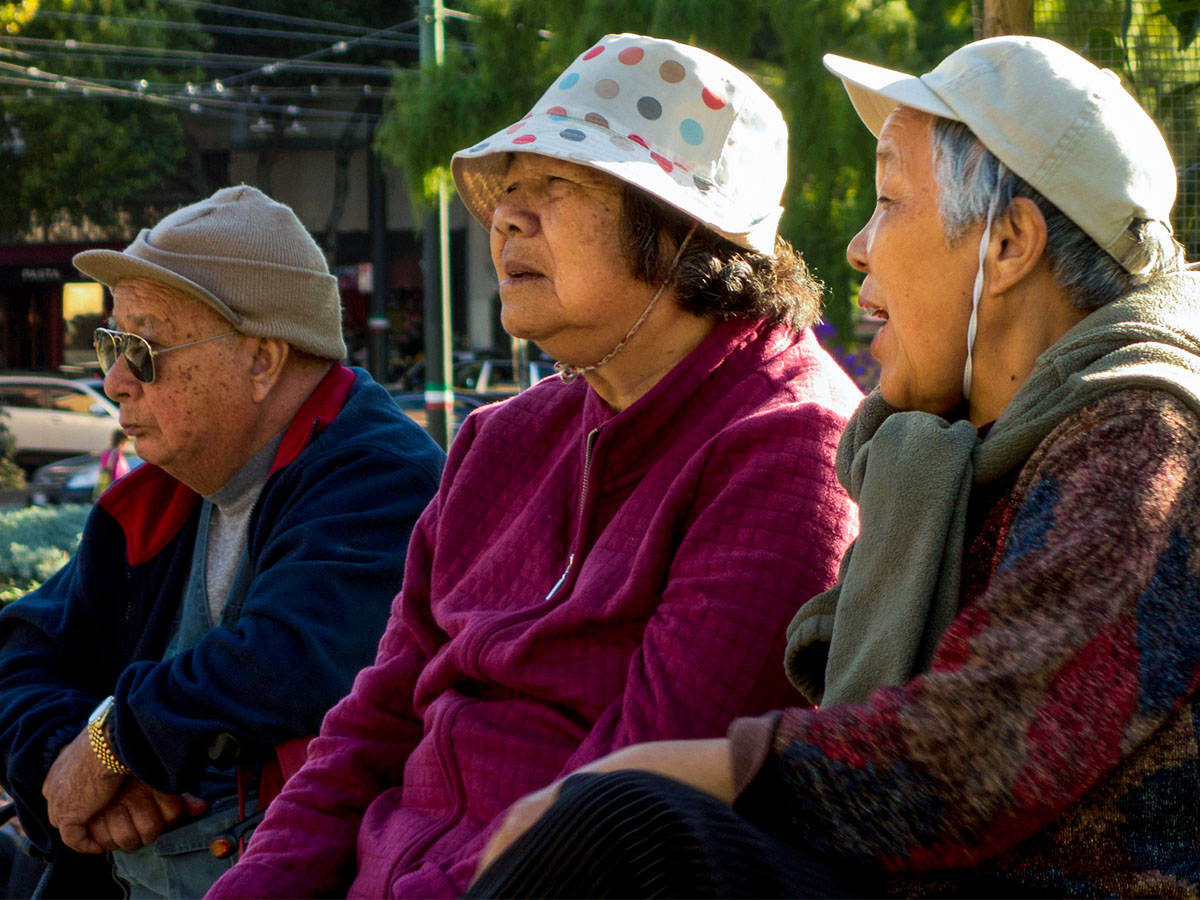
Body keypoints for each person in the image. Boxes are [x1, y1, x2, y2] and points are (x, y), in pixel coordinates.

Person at [465, 35, 1200, 900]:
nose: (858, 246)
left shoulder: (1145, 441)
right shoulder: (952, 450)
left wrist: (646, 778)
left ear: (1008, 244)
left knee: (624, 825)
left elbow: (969, 758)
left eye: (889, 199)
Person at [207, 33, 862, 900]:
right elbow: (368, 729)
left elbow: (623, 809)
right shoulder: (500, 442)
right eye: (505, 189)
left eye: (556, 183)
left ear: (681, 227)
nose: (506, 217)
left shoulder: (787, 448)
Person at [0, 185, 444, 899]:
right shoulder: (165, 491)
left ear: (262, 361)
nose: (114, 382)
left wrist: (114, 742)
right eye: (112, 345)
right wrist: (65, 756)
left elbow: (287, 657)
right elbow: (22, 649)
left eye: (141, 348)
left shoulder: (381, 476)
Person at [93, 428, 131, 500]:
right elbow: (111, 469)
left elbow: (102, 468)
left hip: (107, 487)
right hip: (114, 488)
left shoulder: (106, 452)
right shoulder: (115, 453)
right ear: (123, 441)